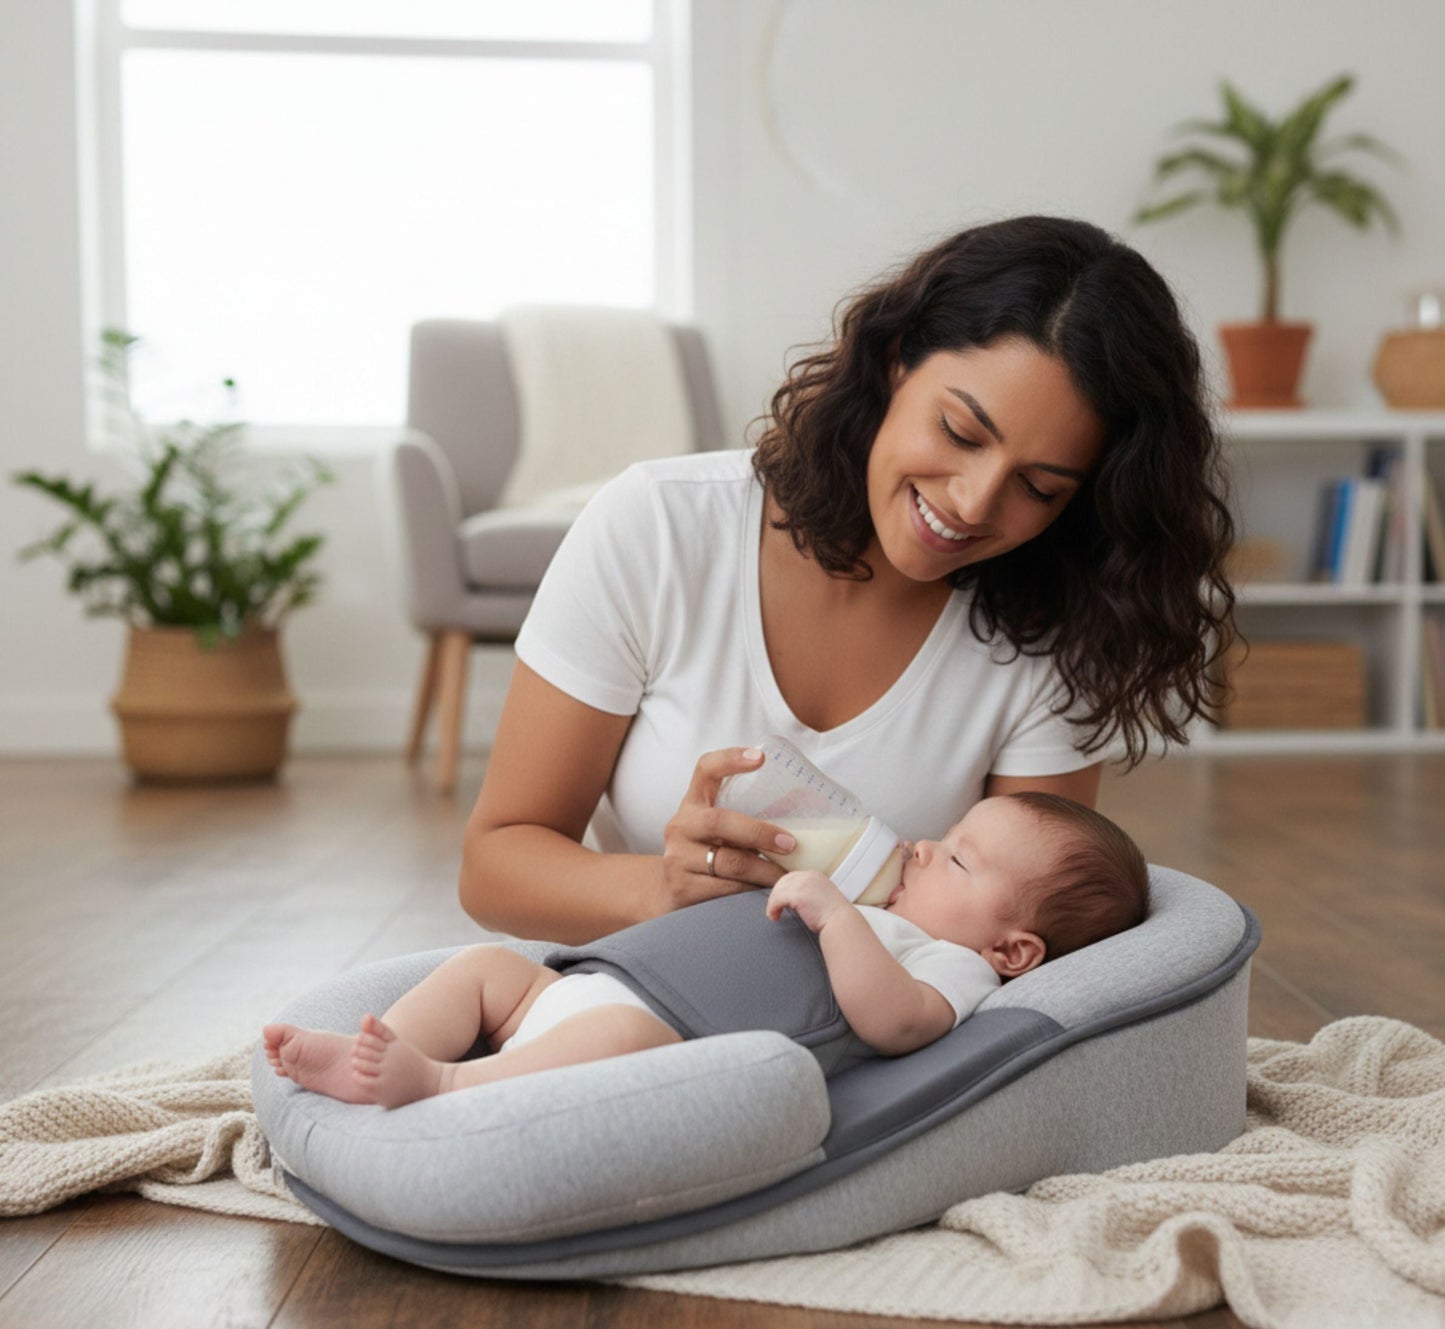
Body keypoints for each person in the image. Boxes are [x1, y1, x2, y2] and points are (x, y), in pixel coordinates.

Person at [456, 216, 1234, 948]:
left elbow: (1027, 944)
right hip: (650, 994)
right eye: (959, 431)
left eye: (1038, 486)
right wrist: (659, 890)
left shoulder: (1052, 634)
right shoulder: (659, 527)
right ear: (895, 361)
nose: (972, 503)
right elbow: (493, 866)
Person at [264, 793, 1149, 1108]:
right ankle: (385, 1050)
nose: (922, 846)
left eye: (955, 857)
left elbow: (897, 1023)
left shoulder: (951, 961)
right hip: (600, 977)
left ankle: (439, 1084)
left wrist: (836, 917)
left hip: (658, 1033)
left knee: (617, 1037)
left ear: (1014, 949)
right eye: (943, 834)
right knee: (485, 967)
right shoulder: (886, 904)